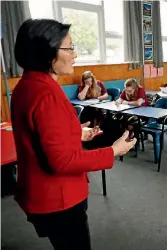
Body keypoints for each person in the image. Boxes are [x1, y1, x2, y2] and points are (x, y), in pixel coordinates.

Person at [12, 19, 137, 250]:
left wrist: (75, 133)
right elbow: (63, 161)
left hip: (40, 194)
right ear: (47, 52)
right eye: (69, 48)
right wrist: (113, 150)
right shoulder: (46, 93)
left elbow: (40, 135)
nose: (75, 55)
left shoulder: (26, 86)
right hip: (59, 199)